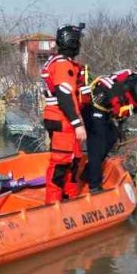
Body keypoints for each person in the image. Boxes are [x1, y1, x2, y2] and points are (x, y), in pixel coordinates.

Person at [40, 23, 87, 204]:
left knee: (74, 160)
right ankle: (53, 203)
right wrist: (77, 123)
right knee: (61, 163)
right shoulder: (62, 65)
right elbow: (64, 94)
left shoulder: (64, 63)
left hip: (64, 118)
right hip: (62, 119)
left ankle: (69, 195)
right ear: (72, 41)